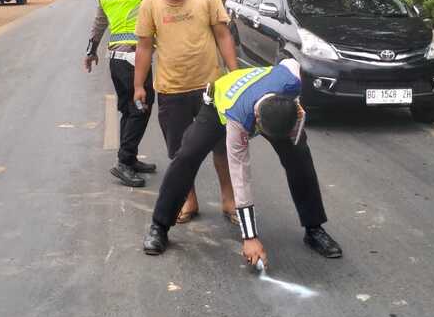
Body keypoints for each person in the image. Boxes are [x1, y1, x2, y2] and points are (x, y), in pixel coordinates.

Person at [143, 59, 342, 264]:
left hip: (269, 101)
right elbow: (240, 177)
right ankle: (159, 226)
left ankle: (314, 228)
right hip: (220, 104)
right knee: (187, 155)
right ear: (257, 120)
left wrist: (296, 109)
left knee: (299, 155)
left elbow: (290, 62)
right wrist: (250, 237)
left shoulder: (291, 81)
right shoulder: (239, 119)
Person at [133, 0, 237, 224]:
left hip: (211, 89)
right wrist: (138, 86)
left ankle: (229, 200)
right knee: (181, 154)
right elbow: (144, 47)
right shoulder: (151, 3)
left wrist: (235, 75)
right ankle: (189, 201)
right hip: (171, 89)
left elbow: (223, 35)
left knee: (222, 150)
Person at [85, 0, 158, 187]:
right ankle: (124, 162)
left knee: (129, 109)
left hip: (115, 60)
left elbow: (99, 24)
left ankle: (131, 157)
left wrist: (91, 51)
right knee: (141, 108)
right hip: (135, 59)